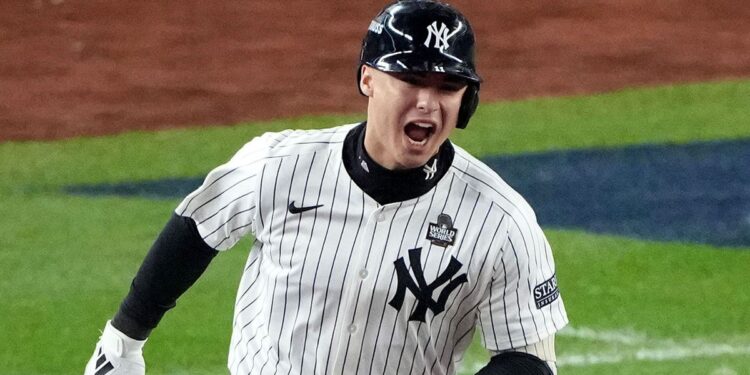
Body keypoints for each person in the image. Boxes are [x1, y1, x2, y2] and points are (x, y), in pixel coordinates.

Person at [84, 1, 568, 374]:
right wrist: (122, 340)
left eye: (446, 87)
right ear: (368, 80)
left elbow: (529, 358)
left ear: (468, 101)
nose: (427, 102)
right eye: (410, 80)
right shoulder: (280, 165)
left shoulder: (500, 220)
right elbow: (197, 227)